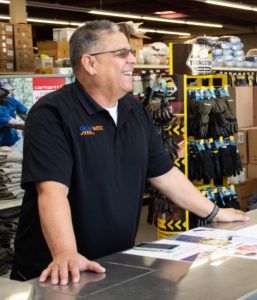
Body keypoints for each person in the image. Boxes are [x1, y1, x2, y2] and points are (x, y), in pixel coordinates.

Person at [10, 20, 248, 285]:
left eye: (131, 53)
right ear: (90, 63)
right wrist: (65, 252)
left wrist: (214, 212)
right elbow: (51, 191)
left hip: (112, 263)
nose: (132, 60)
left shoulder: (133, 111)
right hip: (57, 272)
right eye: (121, 53)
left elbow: (164, 173)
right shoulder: (52, 114)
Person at [0, 79, 28, 147]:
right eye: (4, 91)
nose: (7, 93)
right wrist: (38, 126)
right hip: (1, 146)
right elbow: (14, 124)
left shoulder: (10, 100)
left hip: (14, 142)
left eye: (8, 90)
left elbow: (27, 113)